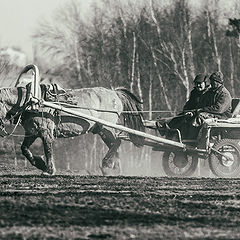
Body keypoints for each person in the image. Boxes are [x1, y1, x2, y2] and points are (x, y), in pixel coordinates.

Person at [156, 73, 211, 139]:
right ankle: (167, 132)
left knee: (187, 122)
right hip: (191, 113)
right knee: (177, 118)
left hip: (201, 114)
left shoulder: (209, 93)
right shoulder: (194, 92)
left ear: (205, 83)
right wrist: (186, 110)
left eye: (200, 83)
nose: (198, 85)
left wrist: (194, 112)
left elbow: (206, 107)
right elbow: (189, 103)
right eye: (196, 83)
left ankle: (187, 139)